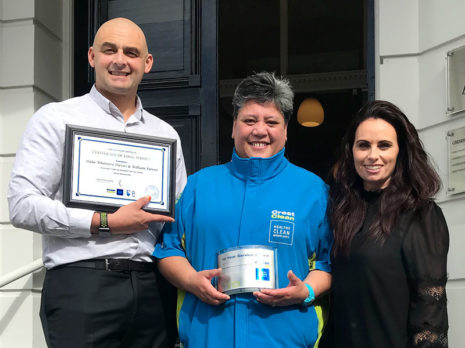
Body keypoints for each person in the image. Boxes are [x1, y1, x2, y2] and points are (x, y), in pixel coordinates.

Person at [8, 18, 187, 348]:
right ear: (92, 56)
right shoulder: (56, 119)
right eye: (110, 49)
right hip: (82, 285)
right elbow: (22, 205)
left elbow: (179, 219)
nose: (120, 59)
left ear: (146, 63)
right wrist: (105, 222)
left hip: (152, 289)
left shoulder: (165, 135)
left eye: (131, 52)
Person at [154, 72, 333, 347]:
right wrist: (191, 280)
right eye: (249, 120)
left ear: (285, 131)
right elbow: (168, 250)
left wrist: (305, 290)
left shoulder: (314, 192)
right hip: (209, 336)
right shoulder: (197, 187)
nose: (259, 130)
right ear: (234, 127)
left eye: (271, 122)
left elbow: (328, 262)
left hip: (284, 338)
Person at [320, 100, 449, 348]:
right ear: (352, 151)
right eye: (363, 145)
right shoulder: (343, 211)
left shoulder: (420, 214)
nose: (372, 155)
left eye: (384, 145)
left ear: (401, 151)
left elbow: (430, 310)